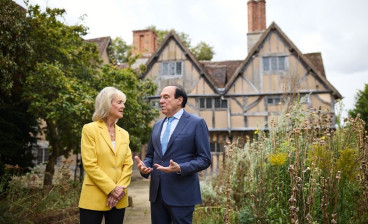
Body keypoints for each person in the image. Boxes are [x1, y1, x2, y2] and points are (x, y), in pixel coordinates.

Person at [135, 85, 211, 224]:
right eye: (160, 97)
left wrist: (180, 168)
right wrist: (144, 166)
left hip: (182, 195)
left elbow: (204, 159)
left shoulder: (196, 123)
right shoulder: (157, 125)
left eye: (166, 97)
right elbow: (151, 156)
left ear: (179, 100)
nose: (161, 101)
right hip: (157, 195)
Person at [79, 87, 133, 224]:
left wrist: (119, 190)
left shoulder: (124, 134)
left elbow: (128, 164)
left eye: (123, 103)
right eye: (120, 102)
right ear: (107, 104)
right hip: (93, 197)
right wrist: (112, 188)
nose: (123, 106)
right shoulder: (89, 129)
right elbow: (90, 165)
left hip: (119, 199)